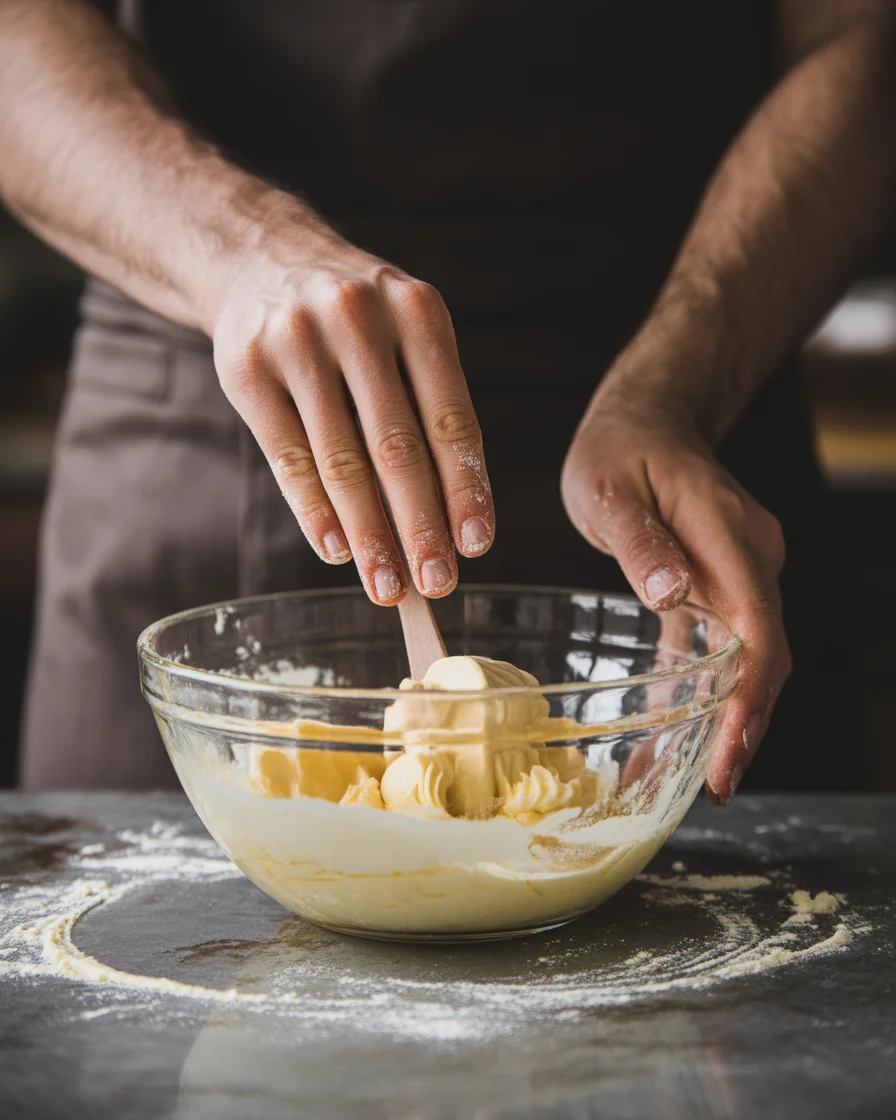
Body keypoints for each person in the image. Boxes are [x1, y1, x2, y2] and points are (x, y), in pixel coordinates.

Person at [2, 1, 893, 795]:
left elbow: (863, 36)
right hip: (202, 379)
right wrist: (237, 246)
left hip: (695, 387)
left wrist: (678, 385)